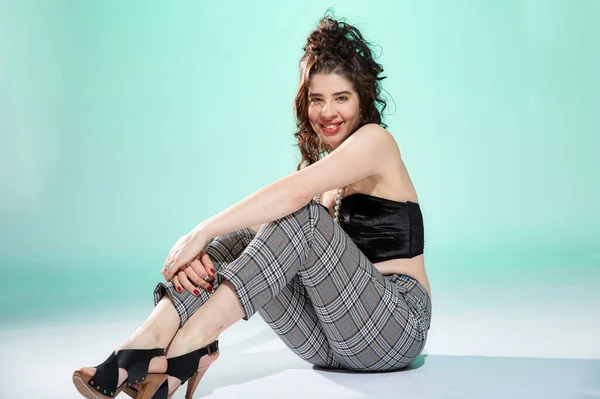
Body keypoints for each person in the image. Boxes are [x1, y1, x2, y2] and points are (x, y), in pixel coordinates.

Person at [72, 12, 432, 399]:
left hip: (394, 329)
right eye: (317, 99)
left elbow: (293, 197)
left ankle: (191, 343)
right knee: (248, 237)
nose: (328, 113)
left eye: (341, 98)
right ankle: (148, 340)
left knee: (299, 215)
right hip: (330, 345)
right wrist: (218, 244)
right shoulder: (326, 171)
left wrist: (202, 231)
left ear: (362, 101)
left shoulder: (376, 142)